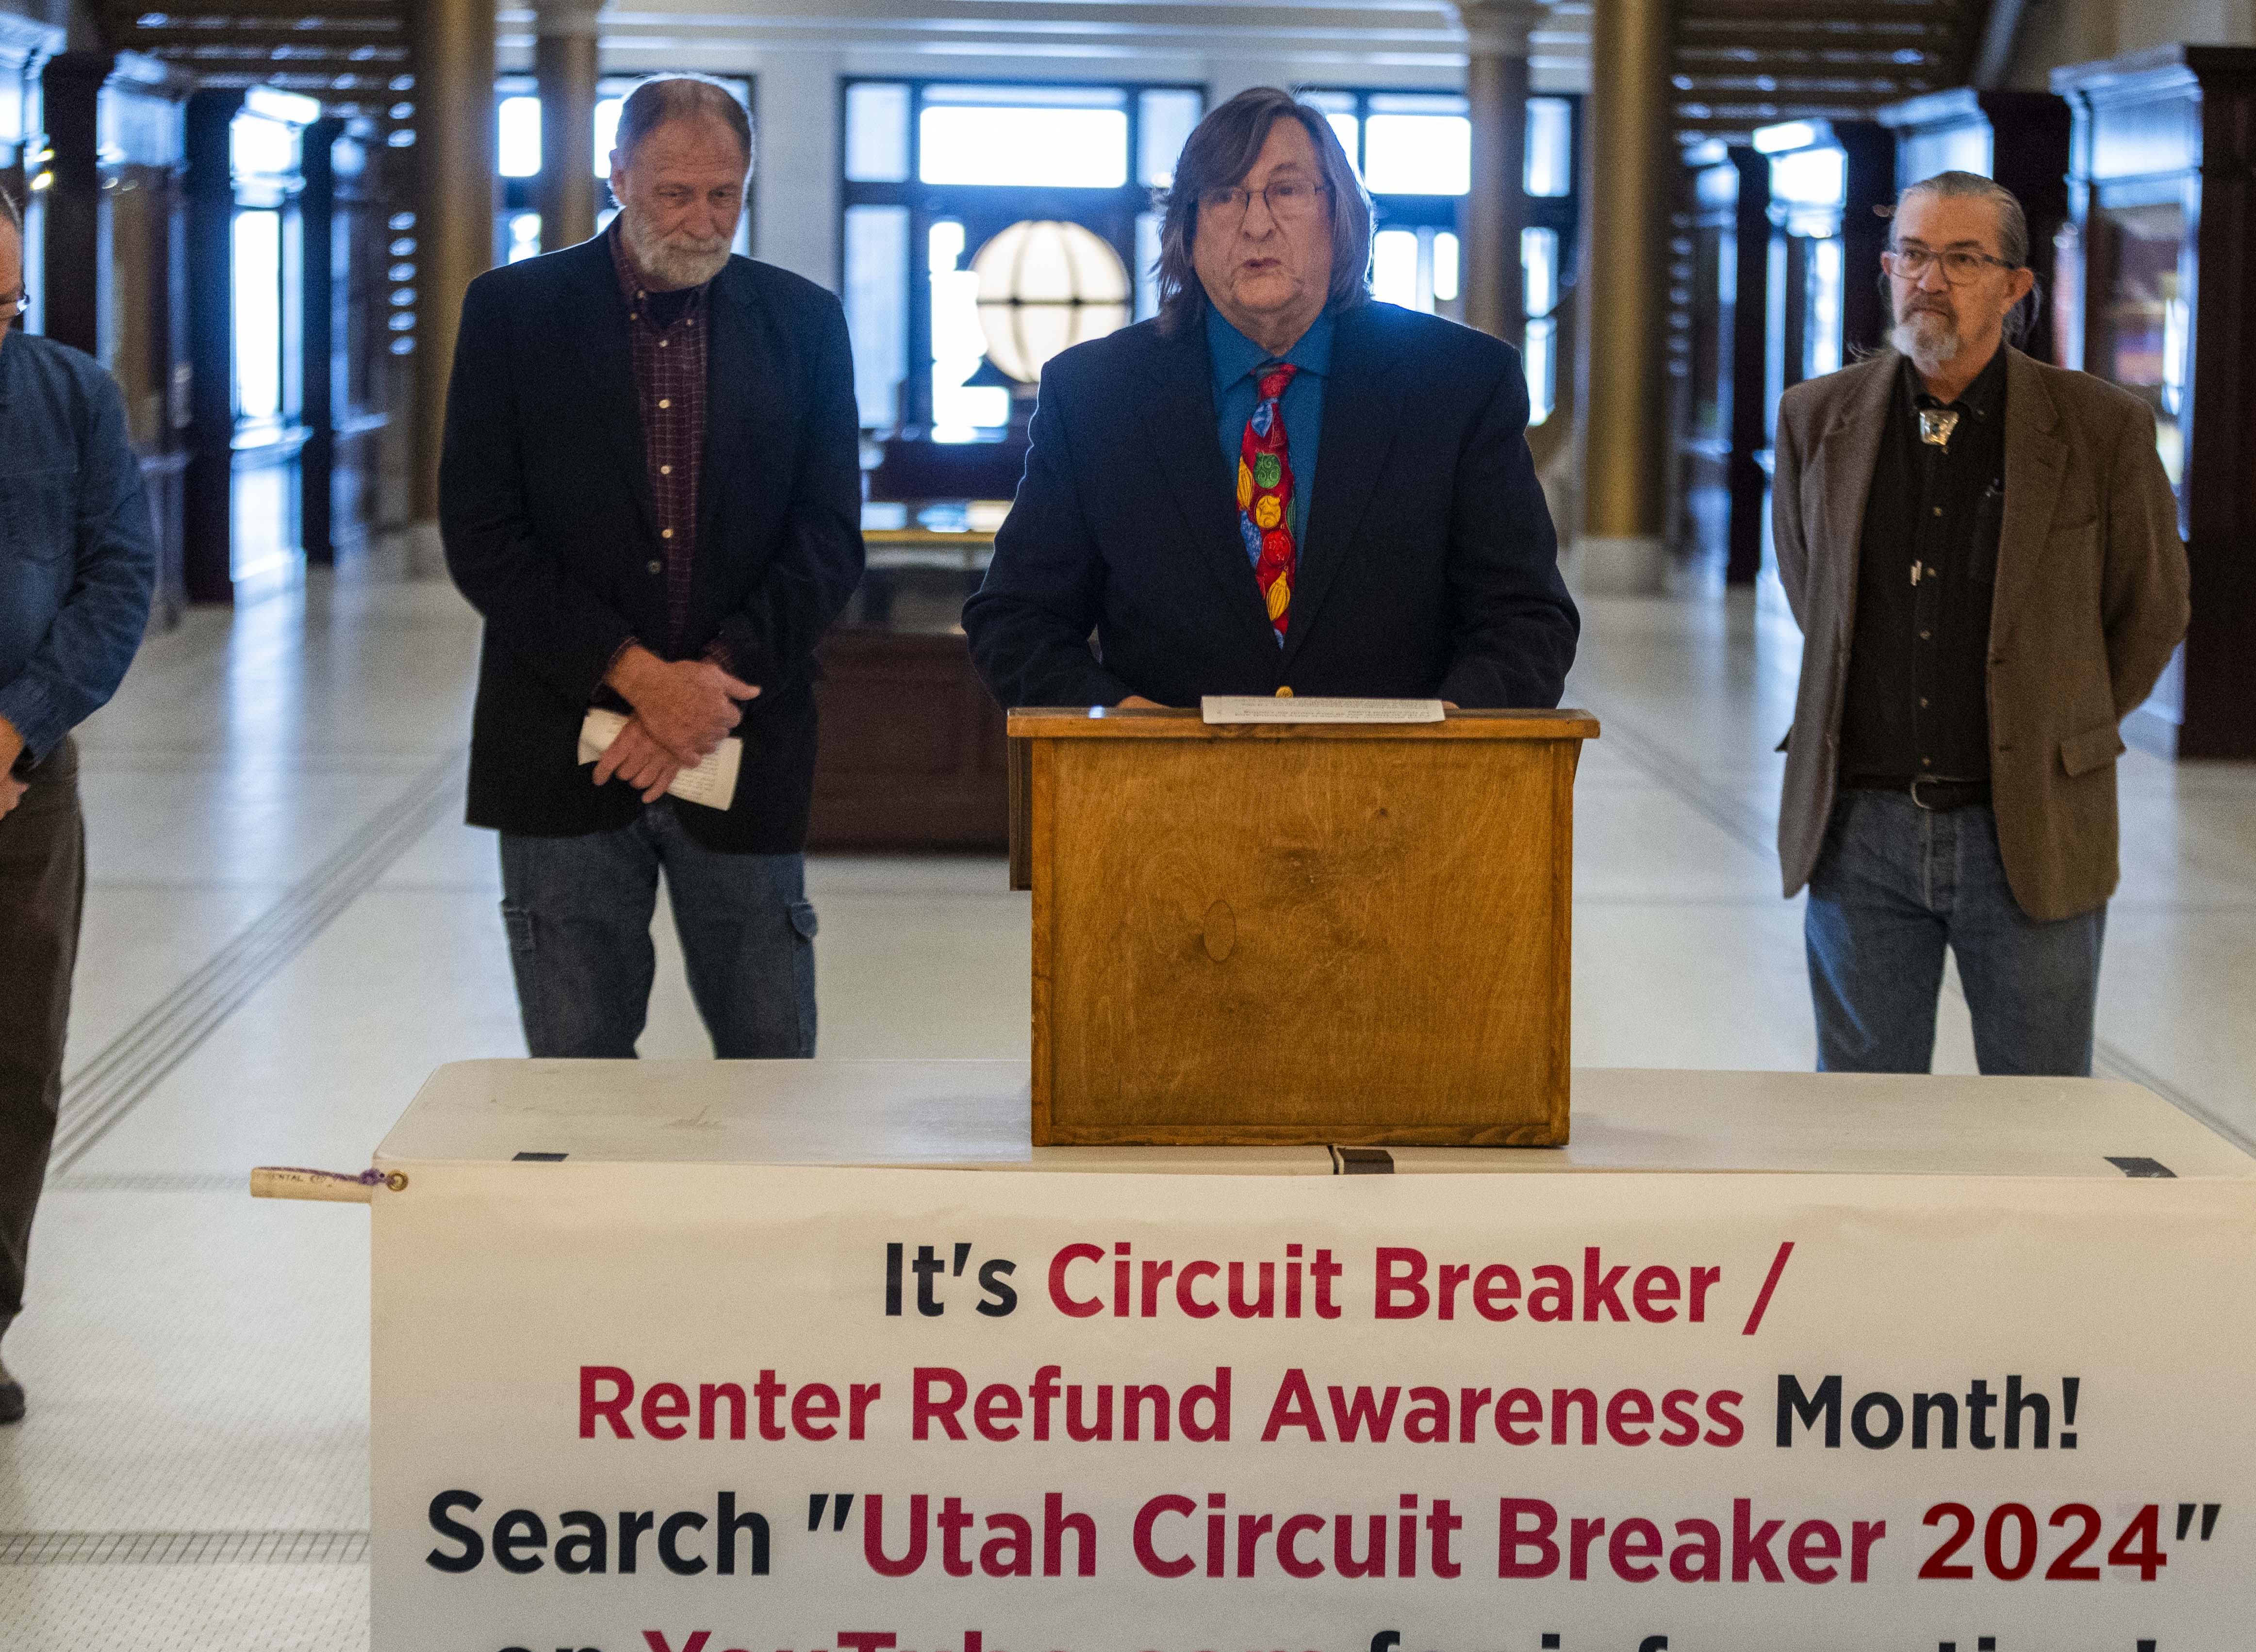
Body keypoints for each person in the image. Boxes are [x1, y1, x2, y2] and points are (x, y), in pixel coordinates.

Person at [441, 75, 861, 1060]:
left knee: (771, 1066)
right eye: (675, 193)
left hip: (741, 741)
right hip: (557, 750)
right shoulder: (513, 313)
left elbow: (829, 535)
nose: (702, 219)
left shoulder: (803, 323)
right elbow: (483, 533)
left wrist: (704, 690)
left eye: (725, 194)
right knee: (578, 1073)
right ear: (617, 176)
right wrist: (638, 681)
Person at [962, 85, 1577, 709]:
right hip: (1163, 792)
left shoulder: (1460, 383)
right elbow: (1016, 621)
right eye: (1225, 195)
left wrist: (1448, 733)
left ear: (1340, 216)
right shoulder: (1094, 395)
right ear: (1189, 230)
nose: (1256, 224)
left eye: (1285, 191)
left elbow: (1527, 619)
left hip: (1400, 794)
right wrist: (1120, 723)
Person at [1771, 170, 2189, 1075]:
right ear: (1886, 267)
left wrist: (2060, 719)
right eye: (1913, 255)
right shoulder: (1817, 418)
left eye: (1961, 259)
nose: (1929, 279)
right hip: (1858, 830)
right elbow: (1814, 594)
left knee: (2036, 1118)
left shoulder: (2099, 429)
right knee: (1860, 1115)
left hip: (2027, 825)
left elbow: (2150, 608)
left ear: (2014, 286)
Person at [0, 187, 159, 1423]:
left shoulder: (70, 396)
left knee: (17, 1060)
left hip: (24, 776)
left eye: (8, 308)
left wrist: (18, 725)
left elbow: (120, 574)